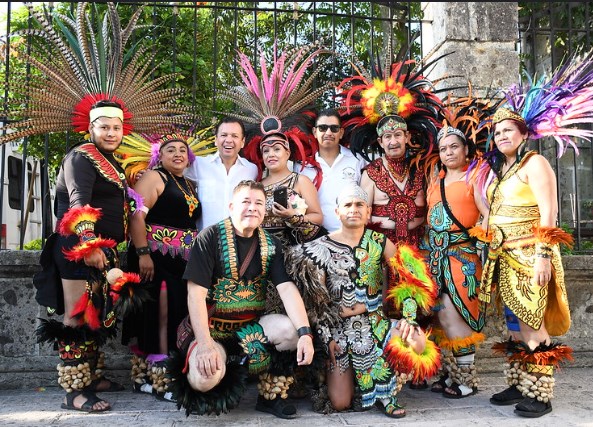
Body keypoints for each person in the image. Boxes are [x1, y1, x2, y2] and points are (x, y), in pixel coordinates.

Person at [284, 184, 439, 417]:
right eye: (347, 205)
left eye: (359, 205)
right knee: (340, 403)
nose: (353, 210)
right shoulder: (321, 248)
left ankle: (387, 394)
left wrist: (408, 318)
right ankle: (358, 384)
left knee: (417, 341)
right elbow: (316, 303)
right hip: (338, 330)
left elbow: (409, 278)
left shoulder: (380, 242)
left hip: (376, 322)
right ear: (337, 212)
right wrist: (327, 339)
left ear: (368, 212)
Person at [168, 180, 315, 419]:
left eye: (258, 203)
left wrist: (305, 333)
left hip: (248, 330)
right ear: (231, 206)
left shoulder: (271, 244)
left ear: (264, 210)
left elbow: (286, 288)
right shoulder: (209, 238)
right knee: (203, 380)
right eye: (245, 202)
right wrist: (205, 345)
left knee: (289, 331)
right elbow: (195, 295)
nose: (252, 208)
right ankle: (216, 370)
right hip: (211, 330)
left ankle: (270, 396)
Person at [476, 107, 574, 417]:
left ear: (524, 134)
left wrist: (544, 257)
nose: (502, 135)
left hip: (530, 255)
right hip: (505, 257)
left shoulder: (536, 163)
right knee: (515, 326)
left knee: (532, 323)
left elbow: (549, 213)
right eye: (498, 131)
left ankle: (541, 394)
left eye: (508, 130)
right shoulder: (504, 169)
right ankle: (521, 384)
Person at [120, 133, 201, 401]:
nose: (178, 154)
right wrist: (143, 254)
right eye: (170, 150)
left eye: (182, 150)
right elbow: (136, 215)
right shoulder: (154, 177)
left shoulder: (187, 183)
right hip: (154, 258)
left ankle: (144, 377)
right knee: (160, 313)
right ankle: (160, 380)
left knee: (174, 312)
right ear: (159, 156)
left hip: (180, 261)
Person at [420, 110, 493, 398]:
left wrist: (482, 239)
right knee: (440, 317)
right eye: (443, 149)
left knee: (455, 314)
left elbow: (487, 215)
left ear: (466, 150)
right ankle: (451, 375)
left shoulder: (474, 177)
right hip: (434, 257)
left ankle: (467, 380)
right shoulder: (434, 180)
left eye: (454, 147)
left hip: (461, 256)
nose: (448, 152)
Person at [295, 109, 368, 232]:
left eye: (334, 128)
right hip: (313, 236)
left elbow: (366, 198)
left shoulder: (357, 160)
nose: (328, 132)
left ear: (341, 132)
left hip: (351, 235)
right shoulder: (302, 165)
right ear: (314, 132)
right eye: (322, 128)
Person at [185, 117, 258, 230]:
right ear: (216, 139)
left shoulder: (251, 170)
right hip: (205, 240)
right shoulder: (198, 164)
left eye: (234, 136)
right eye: (224, 135)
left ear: (242, 142)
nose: (228, 140)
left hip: (237, 241)